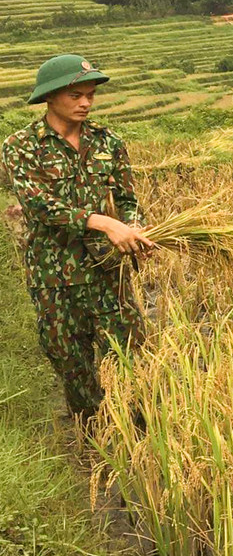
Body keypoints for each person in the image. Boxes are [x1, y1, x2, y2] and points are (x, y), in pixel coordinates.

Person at [0, 55, 152, 421]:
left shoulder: (108, 141)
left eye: (90, 95)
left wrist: (134, 227)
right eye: (75, 95)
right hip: (55, 278)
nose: (85, 102)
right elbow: (40, 207)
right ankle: (93, 440)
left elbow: (129, 199)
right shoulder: (21, 147)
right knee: (71, 363)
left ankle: (142, 439)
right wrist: (102, 222)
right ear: (50, 97)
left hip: (107, 271)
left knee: (132, 357)